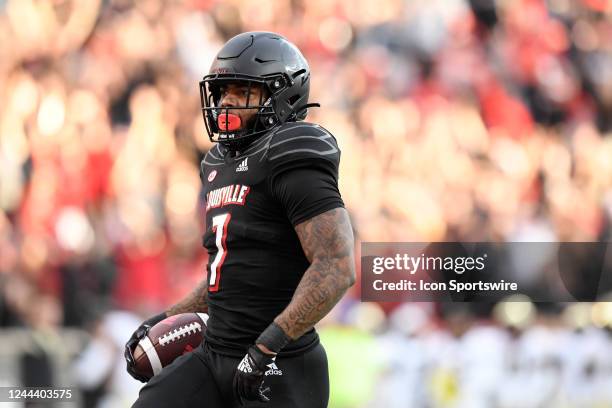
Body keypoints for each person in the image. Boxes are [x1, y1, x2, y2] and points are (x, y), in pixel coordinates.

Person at [125, 31, 355, 408]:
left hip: (281, 365)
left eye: (242, 92)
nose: (227, 103)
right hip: (215, 353)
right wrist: (166, 318)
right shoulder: (217, 162)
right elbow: (228, 272)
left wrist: (268, 345)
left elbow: (336, 264)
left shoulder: (292, 150)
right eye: (223, 92)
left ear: (281, 96)